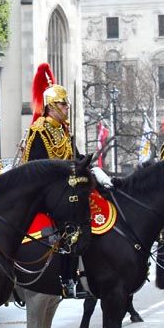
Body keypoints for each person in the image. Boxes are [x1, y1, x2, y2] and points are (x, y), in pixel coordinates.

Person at [23, 62, 105, 298]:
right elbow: (36, 164)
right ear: (50, 106)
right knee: (71, 218)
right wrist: (67, 169)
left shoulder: (63, 130)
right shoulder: (40, 130)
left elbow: (75, 157)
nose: (66, 107)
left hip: (66, 187)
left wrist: (91, 167)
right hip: (45, 189)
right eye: (62, 103)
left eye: (67, 103)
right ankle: (68, 276)